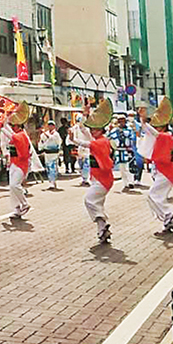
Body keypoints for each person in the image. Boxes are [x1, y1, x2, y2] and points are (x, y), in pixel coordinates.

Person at [70, 99, 115, 243]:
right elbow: (84, 130)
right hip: (97, 178)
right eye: (92, 129)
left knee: (89, 200)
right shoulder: (98, 139)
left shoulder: (101, 142)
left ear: (102, 129)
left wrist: (74, 140)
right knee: (97, 203)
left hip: (103, 179)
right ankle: (102, 230)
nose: (92, 131)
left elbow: (87, 143)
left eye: (95, 129)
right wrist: (85, 114)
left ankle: (103, 220)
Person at [139, 99, 173, 235]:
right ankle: (167, 220)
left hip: (166, 173)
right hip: (163, 173)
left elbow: (153, 133)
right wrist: (143, 122)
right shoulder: (164, 136)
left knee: (153, 195)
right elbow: (151, 133)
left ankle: (168, 214)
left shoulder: (166, 136)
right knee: (157, 197)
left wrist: (144, 121)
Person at [1, 102, 31, 218]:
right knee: (11, 187)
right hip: (13, 163)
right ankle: (17, 208)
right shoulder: (16, 133)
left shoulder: (22, 135)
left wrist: (2, 127)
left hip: (22, 165)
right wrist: (4, 121)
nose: (12, 126)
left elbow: (11, 135)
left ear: (19, 126)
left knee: (15, 185)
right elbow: (10, 132)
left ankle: (24, 203)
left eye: (14, 125)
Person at [108, 114, 136, 191]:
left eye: (122, 120)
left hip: (128, 150)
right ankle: (126, 183)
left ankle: (131, 182)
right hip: (119, 150)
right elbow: (110, 139)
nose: (121, 122)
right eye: (119, 121)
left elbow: (132, 138)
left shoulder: (129, 129)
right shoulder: (114, 131)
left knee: (129, 166)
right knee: (122, 168)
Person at [38, 120, 62, 190]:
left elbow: (52, 139)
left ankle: (53, 182)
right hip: (47, 153)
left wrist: (44, 133)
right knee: (48, 168)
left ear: (54, 126)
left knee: (53, 168)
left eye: (52, 125)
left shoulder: (56, 134)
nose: (50, 126)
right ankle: (51, 182)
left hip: (54, 153)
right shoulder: (43, 135)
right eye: (49, 125)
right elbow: (41, 142)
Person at [72, 113, 92, 187]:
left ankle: (86, 179)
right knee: (80, 164)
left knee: (86, 163)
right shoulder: (75, 128)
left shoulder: (87, 129)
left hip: (86, 148)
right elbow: (72, 138)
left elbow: (90, 138)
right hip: (79, 148)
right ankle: (83, 178)